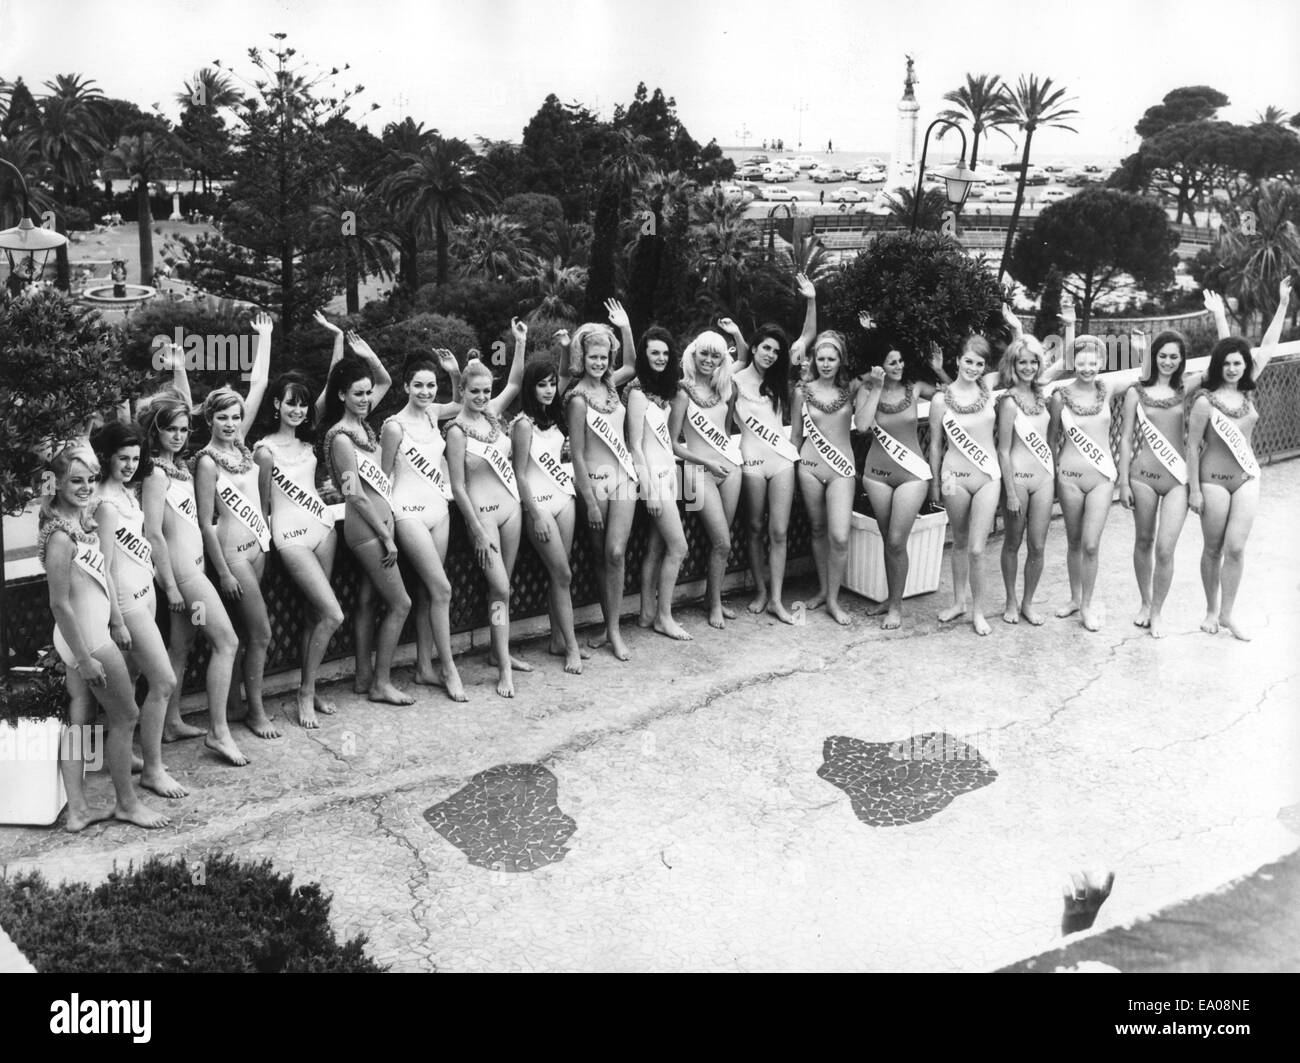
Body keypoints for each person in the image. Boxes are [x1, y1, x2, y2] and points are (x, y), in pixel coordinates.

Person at [40, 445, 168, 830]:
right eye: (75, 481)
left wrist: (116, 619)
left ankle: (78, 810)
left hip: (86, 632)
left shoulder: (77, 522)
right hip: (84, 639)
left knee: (81, 720)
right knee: (126, 715)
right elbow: (59, 605)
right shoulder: (61, 537)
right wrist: (85, 658)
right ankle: (126, 804)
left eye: (91, 480)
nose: (85, 487)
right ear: (57, 484)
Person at [138, 386, 245, 765]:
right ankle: (218, 732)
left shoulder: (178, 467)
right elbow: (152, 534)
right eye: (172, 430)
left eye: (184, 429)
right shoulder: (153, 474)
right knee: (226, 642)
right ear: (156, 432)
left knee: (181, 647)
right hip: (184, 577)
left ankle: (172, 723)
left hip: (194, 570)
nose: (180, 436)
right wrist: (169, 586)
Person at [1187, 276, 1292, 641]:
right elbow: (1191, 445)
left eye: (1238, 363)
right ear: (1220, 365)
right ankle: (1211, 610)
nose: (1233, 368)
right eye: (1228, 363)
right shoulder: (1205, 398)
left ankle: (1229, 613)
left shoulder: (1248, 387)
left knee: (1235, 547)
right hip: (1212, 480)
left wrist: (1281, 305)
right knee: (1213, 548)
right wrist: (1194, 491)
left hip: (1247, 478)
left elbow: (1267, 344)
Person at [90, 423, 185, 799]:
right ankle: (154, 770)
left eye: (135, 458)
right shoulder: (105, 505)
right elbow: (105, 569)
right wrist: (116, 619)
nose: (130, 465)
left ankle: (129, 755)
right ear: (107, 458)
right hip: (127, 603)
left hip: (146, 593)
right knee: (163, 681)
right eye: (122, 458)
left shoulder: (128, 493)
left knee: (131, 681)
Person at [193, 313, 276, 739]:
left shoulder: (242, 449)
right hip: (231, 555)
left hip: (257, 550)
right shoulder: (207, 462)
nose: (230, 423)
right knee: (260, 633)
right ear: (210, 419)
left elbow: (258, 386)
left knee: (245, 634)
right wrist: (222, 571)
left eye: (235, 417)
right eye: (223, 417)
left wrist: (265, 336)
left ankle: (240, 704)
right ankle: (256, 712)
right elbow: (206, 522)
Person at [253, 354, 346, 726]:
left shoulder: (308, 442)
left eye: (303, 403)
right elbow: (261, 508)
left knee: (314, 615)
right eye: (290, 402)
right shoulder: (264, 451)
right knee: (332, 613)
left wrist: (338, 343)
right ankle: (304, 693)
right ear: (276, 404)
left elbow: (330, 387)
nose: (298, 409)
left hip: (324, 529)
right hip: (289, 536)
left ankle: (312, 686)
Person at [722, 275, 817, 623]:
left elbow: (807, 337)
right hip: (749, 463)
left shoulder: (780, 382)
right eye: (766, 348)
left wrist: (811, 300)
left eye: (777, 351)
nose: (771, 355)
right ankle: (761, 591)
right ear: (756, 346)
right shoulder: (733, 381)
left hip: (780, 464)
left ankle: (777, 599)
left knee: (778, 531)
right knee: (755, 529)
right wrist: (735, 336)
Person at [323, 335, 412, 705]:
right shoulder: (342, 438)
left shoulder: (362, 426)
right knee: (401, 603)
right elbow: (355, 495)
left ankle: (362, 677)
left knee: (367, 600)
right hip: (366, 528)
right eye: (357, 394)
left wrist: (367, 355)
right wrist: (386, 537)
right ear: (341, 395)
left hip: (379, 522)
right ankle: (381, 683)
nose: (365, 399)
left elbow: (386, 381)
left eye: (366, 393)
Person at [380, 346, 468, 702]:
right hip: (408, 513)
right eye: (419, 385)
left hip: (439, 510)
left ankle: (423, 668)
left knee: (428, 593)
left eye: (431, 386)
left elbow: (460, 405)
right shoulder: (393, 427)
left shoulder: (434, 414)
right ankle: (449, 669)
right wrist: (386, 530)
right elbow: (383, 479)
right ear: (405, 387)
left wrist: (455, 374)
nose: (426, 392)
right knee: (443, 589)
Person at [446, 323, 529, 696]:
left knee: (501, 592)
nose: (481, 397)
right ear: (461, 391)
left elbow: (514, 382)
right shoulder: (456, 431)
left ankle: (500, 656)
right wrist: (476, 529)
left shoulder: (493, 415)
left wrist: (520, 343)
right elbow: (457, 487)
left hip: (511, 511)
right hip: (482, 517)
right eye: (474, 391)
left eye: (485, 391)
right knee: (501, 587)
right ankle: (504, 668)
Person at [858, 316, 946, 630]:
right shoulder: (868, 388)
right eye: (892, 362)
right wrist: (876, 386)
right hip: (877, 473)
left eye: (900, 360)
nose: (899, 365)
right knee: (888, 539)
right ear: (879, 366)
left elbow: (956, 394)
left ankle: (895, 607)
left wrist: (938, 368)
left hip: (912, 475)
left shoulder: (916, 386)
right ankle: (889, 598)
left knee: (897, 540)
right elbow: (863, 425)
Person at [791, 331, 883, 625]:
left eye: (832, 358)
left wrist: (877, 387)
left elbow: (866, 420)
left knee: (840, 536)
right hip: (808, 468)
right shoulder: (801, 392)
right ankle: (823, 590)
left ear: (840, 359)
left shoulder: (851, 388)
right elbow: (795, 436)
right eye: (821, 358)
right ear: (814, 360)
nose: (826, 363)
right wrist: (792, 472)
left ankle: (833, 599)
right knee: (818, 530)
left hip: (841, 468)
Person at [566, 320, 640, 659]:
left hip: (623, 479)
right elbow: (577, 455)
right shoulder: (578, 399)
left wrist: (626, 327)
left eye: (603, 357)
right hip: (594, 484)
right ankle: (608, 626)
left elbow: (633, 364)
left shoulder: (611, 385)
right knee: (600, 557)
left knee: (615, 552)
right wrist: (590, 502)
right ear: (583, 356)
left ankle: (614, 629)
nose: (599, 362)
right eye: (593, 357)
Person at [1116, 330, 1197, 638]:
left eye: (1174, 356)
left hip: (1177, 480)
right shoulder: (1136, 392)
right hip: (1143, 478)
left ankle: (1159, 612)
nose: (1167, 361)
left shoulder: (1186, 388)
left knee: (1165, 549)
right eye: (1162, 356)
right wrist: (1123, 482)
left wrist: (1218, 317)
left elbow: (1226, 360)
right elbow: (1124, 439)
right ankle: (1146, 603)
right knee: (1144, 541)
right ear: (1154, 357)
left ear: (1181, 360)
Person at [512, 357, 589, 670]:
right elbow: (519, 474)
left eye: (550, 384)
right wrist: (535, 514)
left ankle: (558, 639)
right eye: (540, 385)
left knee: (559, 575)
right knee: (563, 574)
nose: (548, 389)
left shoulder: (555, 417)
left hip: (564, 501)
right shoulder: (522, 424)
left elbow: (564, 372)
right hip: (540, 507)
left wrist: (566, 348)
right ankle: (571, 647)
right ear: (530, 388)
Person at [669, 331, 744, 629]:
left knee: (722, 545)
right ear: (693, 354)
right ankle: (712, 603)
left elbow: (725, 434)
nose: (709, 361)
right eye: (704, 354)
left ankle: (714, 599)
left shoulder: (725, 389)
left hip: (729, 470)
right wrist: (708, 462)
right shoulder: (681, 391)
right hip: (696, 471)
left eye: (715, 356)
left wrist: (725, 463)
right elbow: (674, 444)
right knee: (722, 540)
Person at [929, 336, 1001, 635]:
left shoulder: (989, 388)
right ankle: (958, 602)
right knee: (957, 542)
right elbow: (934, 446)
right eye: (968, 361)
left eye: (980, 363)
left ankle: (979, 612)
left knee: (976, 549)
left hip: (987, 478)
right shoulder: (939, 400)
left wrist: (1014, 328)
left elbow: (1021, 358)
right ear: (957, 360)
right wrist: (934, 485)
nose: (973, 367)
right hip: (951, 478)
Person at [623, 326, 692, 640]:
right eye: (654, 353)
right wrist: (648, 488)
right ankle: (664, 616)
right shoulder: (637, 393)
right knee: (679, 547)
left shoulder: (665, 392)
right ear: (644, 355)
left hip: (668, 473)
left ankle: (646, 614)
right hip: (652, 479)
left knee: (656, 547)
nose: (661, 358)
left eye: (665, 353)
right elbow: (635, 445)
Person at [995, 334, 1060, 627]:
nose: (1029, 366)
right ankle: (1010, 599)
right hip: (1018, 480)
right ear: (1013, 364)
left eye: (1034, 361)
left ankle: (1028, 603)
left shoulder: (1041, 397)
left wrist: (1069, 327)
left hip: (1043, 478)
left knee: (1037, 545)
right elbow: (1004, 451)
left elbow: (1048, 440)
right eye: (1023, 361)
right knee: (1012, 542)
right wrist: (1009, 492)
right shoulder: (1008, 402)